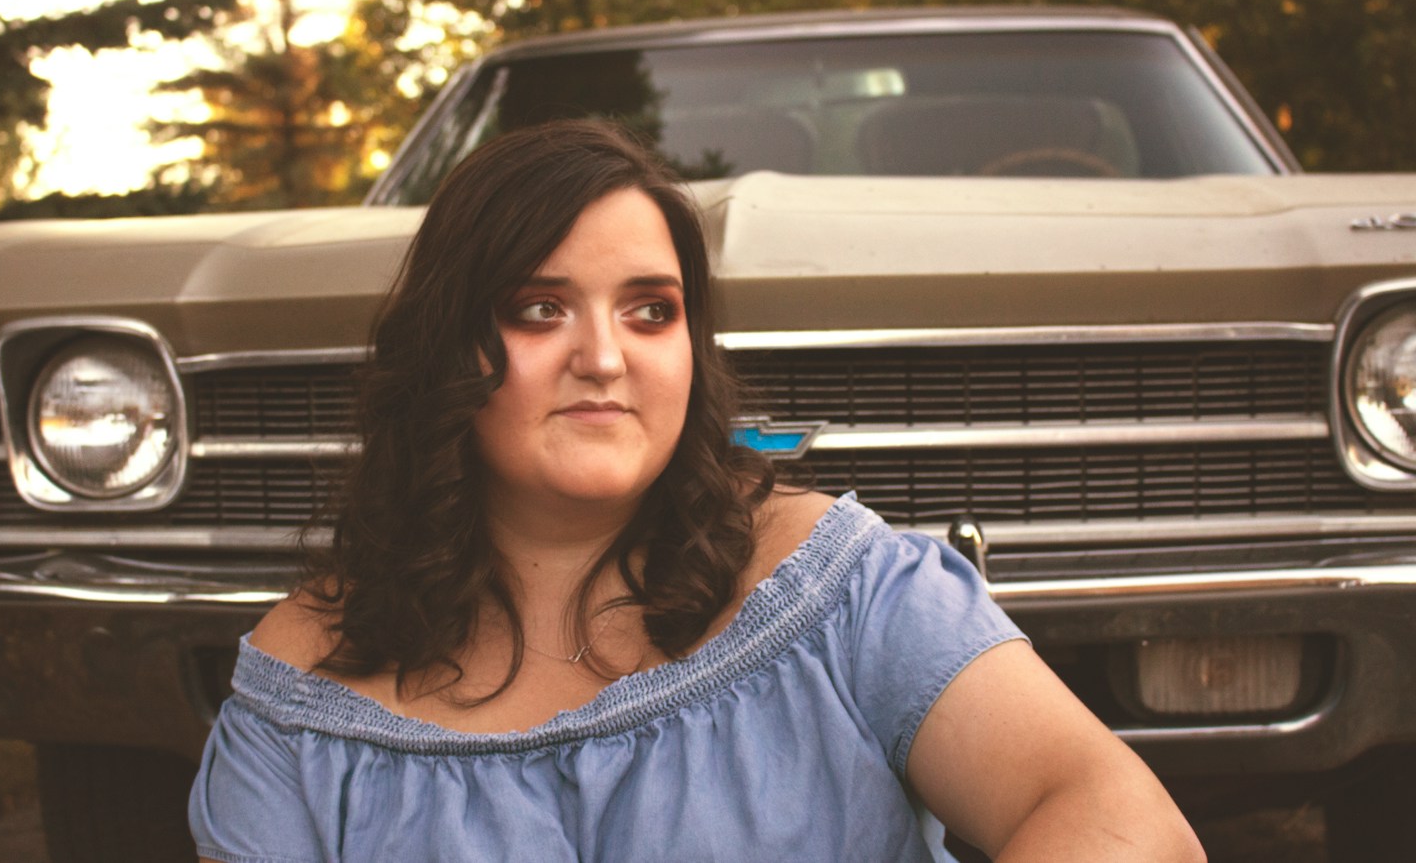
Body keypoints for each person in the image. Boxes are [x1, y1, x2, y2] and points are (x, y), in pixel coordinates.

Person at [188, 119, 1204, 862]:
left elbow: (1123, 819)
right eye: (541, 308)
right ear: (448, 343)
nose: (603, 356)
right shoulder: (302, 694)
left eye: (649, 310)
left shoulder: (837, 587)